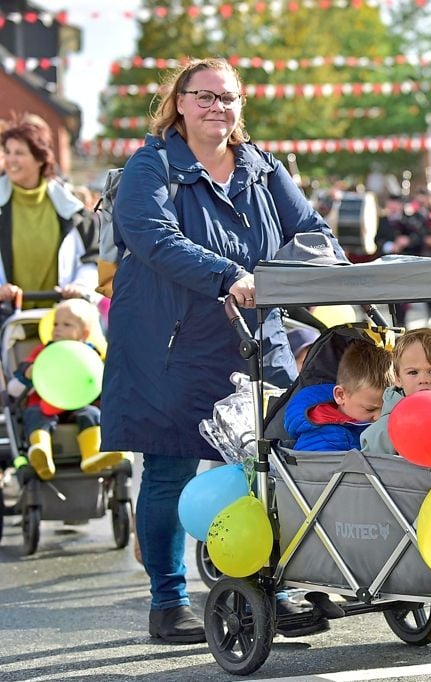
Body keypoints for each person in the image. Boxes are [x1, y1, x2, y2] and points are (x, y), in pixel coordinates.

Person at [101, 58, 345, 644]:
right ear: (179, 103)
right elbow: (152, 235)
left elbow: (311, 229)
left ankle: (269, 587)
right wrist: (228, 273)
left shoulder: (262, 167)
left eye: (227, 98)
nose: (217, 108)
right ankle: (168, 600)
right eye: (204, 97)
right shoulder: (151, 165)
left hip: (258, 339)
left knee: (270, 466)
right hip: (172, 346)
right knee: (169, 468)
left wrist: (326, 274)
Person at [9, 299, 124, 479]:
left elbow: (101, 378)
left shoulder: (89, 355)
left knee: (92, 414)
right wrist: (30, 371)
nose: (57, 328)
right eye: (55, 323)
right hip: (45, 403)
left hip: (78, 402)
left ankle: (92, 454)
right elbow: (18, 382)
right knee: (34, 415)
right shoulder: (44, 351)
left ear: (84, 333)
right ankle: (41, 451)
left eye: (66, 324)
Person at [0, 118, 98, 308]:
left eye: (19, 153)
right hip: (6, 323)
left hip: (62, 320)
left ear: (40, 158)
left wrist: (79, 286)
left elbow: (93, 257)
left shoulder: (73, 210)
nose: (11, 159)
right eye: (8, 152)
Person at [360, 327, 431, 455]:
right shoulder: (386, 429)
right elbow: (371, 468)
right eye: (413, 372)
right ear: (397, 378)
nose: (424, 380)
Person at [284, 340, 392, 451]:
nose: (379, 417)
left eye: (386, 410)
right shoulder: (324, 438)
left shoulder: (369, 422)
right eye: (370, 409)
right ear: (340, 395)